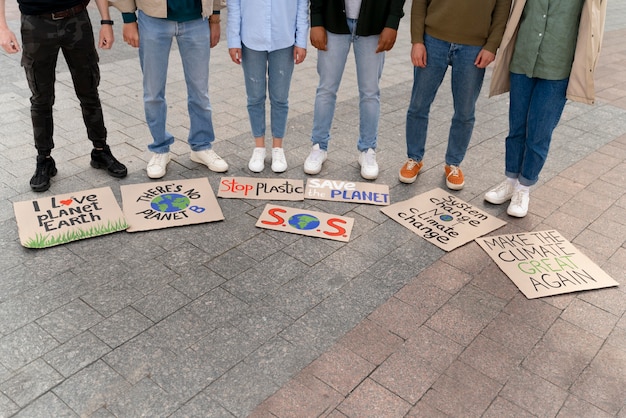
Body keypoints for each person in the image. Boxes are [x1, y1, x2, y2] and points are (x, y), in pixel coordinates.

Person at [485, 0, 606, 217]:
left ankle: (524, 188)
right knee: (517, 128)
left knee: (539, 133)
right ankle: (511, 181)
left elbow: (594, 27)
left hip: (558, 67)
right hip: (523, 59)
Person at [0, 0, 128, 192]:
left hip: (77, 19)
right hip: (36, 24)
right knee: (41, 98)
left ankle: (100, 151)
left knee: (89, 91)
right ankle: (44, 159)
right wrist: (3, 28)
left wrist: (106, 21)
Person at [399, 0, 511, 190]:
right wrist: (417, 40)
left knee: (465, 111)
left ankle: (453, 164)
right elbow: (419, 3)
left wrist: (492, 46)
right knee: (418, 104)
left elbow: (502, 11)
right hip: (433, 40)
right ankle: (414, 158)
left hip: (474, 47)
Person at [110, 0, 228, 179]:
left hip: (197, 19)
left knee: (200, 90)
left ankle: (201, 145)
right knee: (153, 92)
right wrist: (128, 18)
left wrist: (215, 17)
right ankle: (160, 148)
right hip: (152, 19)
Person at [304, 0, 406, 180]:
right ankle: (319, 146)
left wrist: (392, 22)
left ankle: (367, 149)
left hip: (374, 23)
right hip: (332, 21)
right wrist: (316, 19)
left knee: (370, 92)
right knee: (326, 89)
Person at [227, 0, 308, 173]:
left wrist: (301, 40)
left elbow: (302, 6)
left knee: (280, 97)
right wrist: (233, 39)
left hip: (284, 38)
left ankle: (278, 148)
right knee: (255, 97)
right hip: (251, 37)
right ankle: (259, 148)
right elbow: (234, 5)